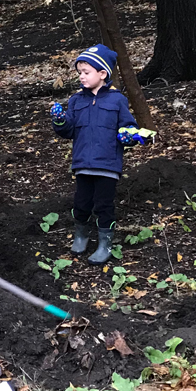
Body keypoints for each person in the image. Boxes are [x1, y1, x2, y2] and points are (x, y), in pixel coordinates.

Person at [50, 44, 138, 265]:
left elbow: (128, 127)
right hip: (83, 163)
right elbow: (68, 130)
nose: (81, 77)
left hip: (108, 165)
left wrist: (128, 135)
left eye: (86, 72)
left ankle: (104, 243)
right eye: (79, 72)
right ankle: (81, 235)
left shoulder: (117, 100)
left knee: (103, 205)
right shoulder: (76, 100)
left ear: (102, 73)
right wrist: (60, 121)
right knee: (81, 202)